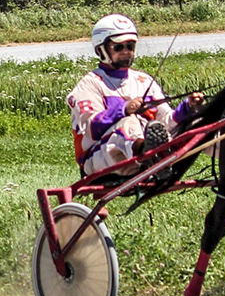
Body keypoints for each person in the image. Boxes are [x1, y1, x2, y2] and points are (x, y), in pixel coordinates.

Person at [67, 14, 204, 176]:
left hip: (138, 154)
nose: (126, 52)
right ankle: (151, 155)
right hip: (99, 158)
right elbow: (91, 128)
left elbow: (166, 121)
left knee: (198, 121)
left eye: (130, 46)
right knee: (129, 122)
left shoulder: (144, 80)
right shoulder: (89, 84)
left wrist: (188, 107)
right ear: (101, 50)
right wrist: (124, 109)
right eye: (118, 47)